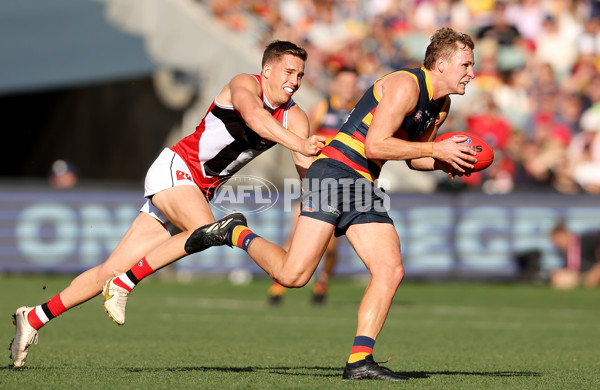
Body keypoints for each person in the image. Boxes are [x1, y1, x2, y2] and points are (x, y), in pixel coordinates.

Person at [9, 40, 325, 368]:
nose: (295, 80)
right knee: (205, 230)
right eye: (289, 71)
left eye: (301, 75)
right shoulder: (244, 84)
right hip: (177, 168)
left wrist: (325, 205)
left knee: (110, 268)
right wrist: (300, 143)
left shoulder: (295, 117)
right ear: (267, 70)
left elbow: (307, 176)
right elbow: (254, 117)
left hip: (196, 190)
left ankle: (34, 317)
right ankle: (125, 283)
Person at [192, 27, 478, 381]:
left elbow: (413, 157)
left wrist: (447, 160)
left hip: (364, 183)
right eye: (465, 64)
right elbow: (376, 146)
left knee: (390, 269)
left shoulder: (441, 104)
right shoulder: (406, 85)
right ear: (441, 64)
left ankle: (360, 361)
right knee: (293, 276)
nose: (472, 72)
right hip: (334, 172)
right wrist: (435, 149)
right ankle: (236, 232)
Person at [268, 67, 359, 306]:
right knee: (296, 233)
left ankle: (322, 283)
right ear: (335, 85)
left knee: (331, 245)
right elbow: (303, 140)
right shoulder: (322, 108)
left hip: (346, 185)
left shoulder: (358, 112)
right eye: (345, 82)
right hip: (318, 182)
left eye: (353, 83)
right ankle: (278, 286)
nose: (349, 87)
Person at [549, 221, 600, 290]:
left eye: (558, 239)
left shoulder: (586, 240)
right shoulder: (565, 251)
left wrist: (595, 271)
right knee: (558, 278)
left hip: (595, 271)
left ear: (566, 234)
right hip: (582, 275)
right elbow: (574, 269)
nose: (557, 244)